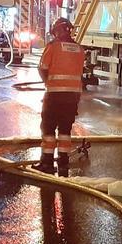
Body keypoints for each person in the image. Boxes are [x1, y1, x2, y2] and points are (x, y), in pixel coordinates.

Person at [34, 18, 83, 176]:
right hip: (73, 96)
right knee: (65, 129)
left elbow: (43, 68)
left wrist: (48, 82)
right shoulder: (79, 48)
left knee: (48, 128)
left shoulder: (53, 47)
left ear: (58, 30)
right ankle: (63, 161)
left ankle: (47, 163)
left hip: (55, 94)